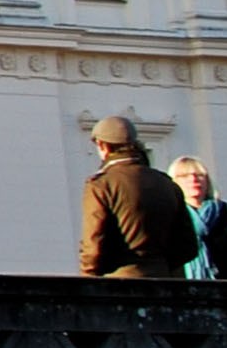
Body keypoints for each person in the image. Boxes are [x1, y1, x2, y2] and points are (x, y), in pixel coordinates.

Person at [78, 115, 200, 278]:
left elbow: (93, 247)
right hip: (163, 282)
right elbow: (188, 247)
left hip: (118, 284)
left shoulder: (101, 185)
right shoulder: (166, 184)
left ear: (102, 146)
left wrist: (88, 279)